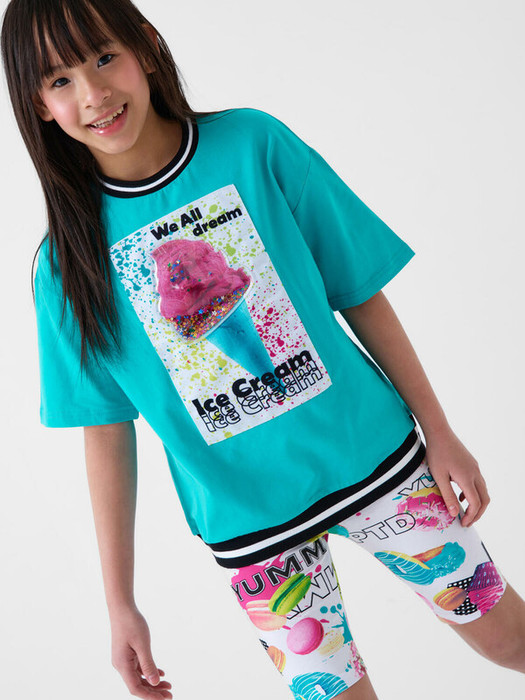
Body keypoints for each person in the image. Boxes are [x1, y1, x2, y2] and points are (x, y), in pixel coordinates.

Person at [2, 0, 524, 698]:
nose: (93, 93)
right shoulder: (66, 268)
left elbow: (357, 290)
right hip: (253, 530)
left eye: (103, 57)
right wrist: (120, 604)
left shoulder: (252, 145)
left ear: (146, 47)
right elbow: (105, 431)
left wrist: (441, 431)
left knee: (507, 639)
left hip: (376, 461)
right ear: (38, 104)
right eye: (60, 79)